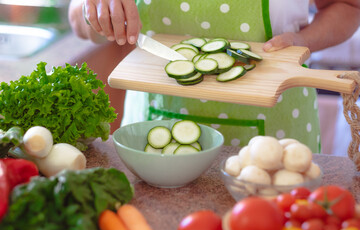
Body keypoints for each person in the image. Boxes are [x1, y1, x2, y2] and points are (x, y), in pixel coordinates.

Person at [68, 0, 360, 153]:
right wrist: (96, 11)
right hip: (152, 126)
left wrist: (303, 40)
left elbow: (348, 6)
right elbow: (80, 23)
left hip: (277, 130)